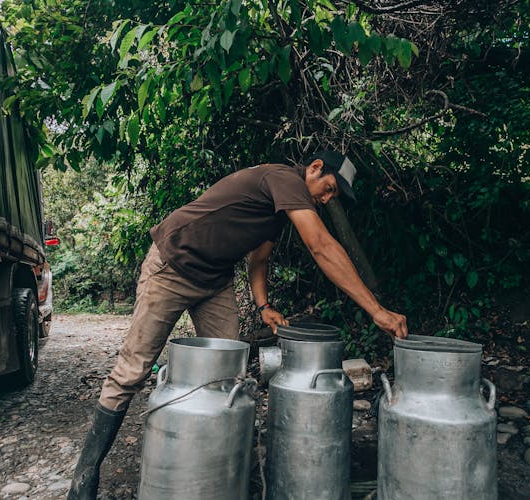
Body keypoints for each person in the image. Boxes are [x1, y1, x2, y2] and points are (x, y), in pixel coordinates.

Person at [67, 151, 408, 499]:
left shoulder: (279, 209)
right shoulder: (285, 179)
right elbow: (320, 246)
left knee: (227, 375)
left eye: (334, 196)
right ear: (316, 168)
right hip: (172, 265)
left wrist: (263, 306)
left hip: (214, 280)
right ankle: (85, 477)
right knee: (132, 371)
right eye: (329, 188)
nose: (327, 198)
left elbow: (258, 259)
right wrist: (376, 310)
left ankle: (209, 469)